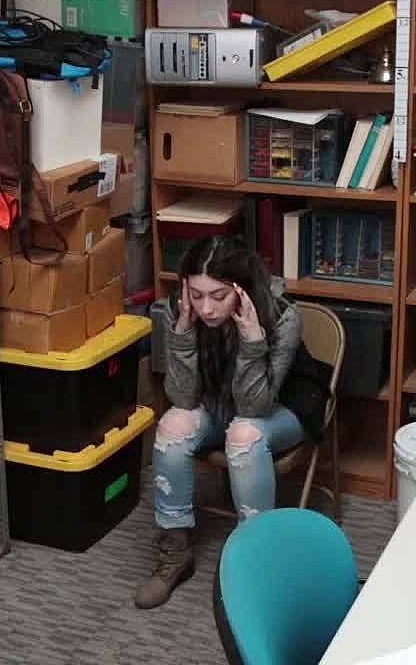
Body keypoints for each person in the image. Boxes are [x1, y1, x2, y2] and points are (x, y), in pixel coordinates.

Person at [134, 235, 304, 609]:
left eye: (219, 295)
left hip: (280, 408)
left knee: (243, 434)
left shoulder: (282, 314)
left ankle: (257, 559)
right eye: (196, 295)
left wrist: (252, 341)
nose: (206, 308)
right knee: (173, 425)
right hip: (216, 403)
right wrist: (182, 333)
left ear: (241, 290)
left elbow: (255, 405)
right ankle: (175, 551)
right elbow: (183, 398)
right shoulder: (180, 310)